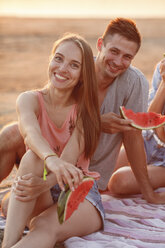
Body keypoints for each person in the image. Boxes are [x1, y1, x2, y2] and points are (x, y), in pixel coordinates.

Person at [1, 17, 165, 208]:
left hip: (87, 171)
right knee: (10, 134)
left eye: (127, 57)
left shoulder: (135, 82)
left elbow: (133, 138)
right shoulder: (76, 69)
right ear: (100, 44)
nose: (118, 62)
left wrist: (148, 193)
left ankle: (19, 196)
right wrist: (96, 122)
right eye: (114, 51)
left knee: (10, 205)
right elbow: (48, 111)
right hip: (52, 156)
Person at [2, 33, 105, 248]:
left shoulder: (85, 112)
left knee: (42, 225)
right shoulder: (29, 99)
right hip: (42, 184)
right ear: (50, 60)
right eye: (58, 58)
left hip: (77, 189)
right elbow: (30, 133)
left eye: (74, 65)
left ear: (82, 75)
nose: (62, 68)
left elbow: (68, 160)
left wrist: (45, 179)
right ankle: (9, 243)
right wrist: (51, 160)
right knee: (33, 157)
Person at [109, 57, 165, 195]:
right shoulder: (162, 67)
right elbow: (150, 119)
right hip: (148, 141)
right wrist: (164, 83)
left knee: (118, 182)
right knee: (99, 174)